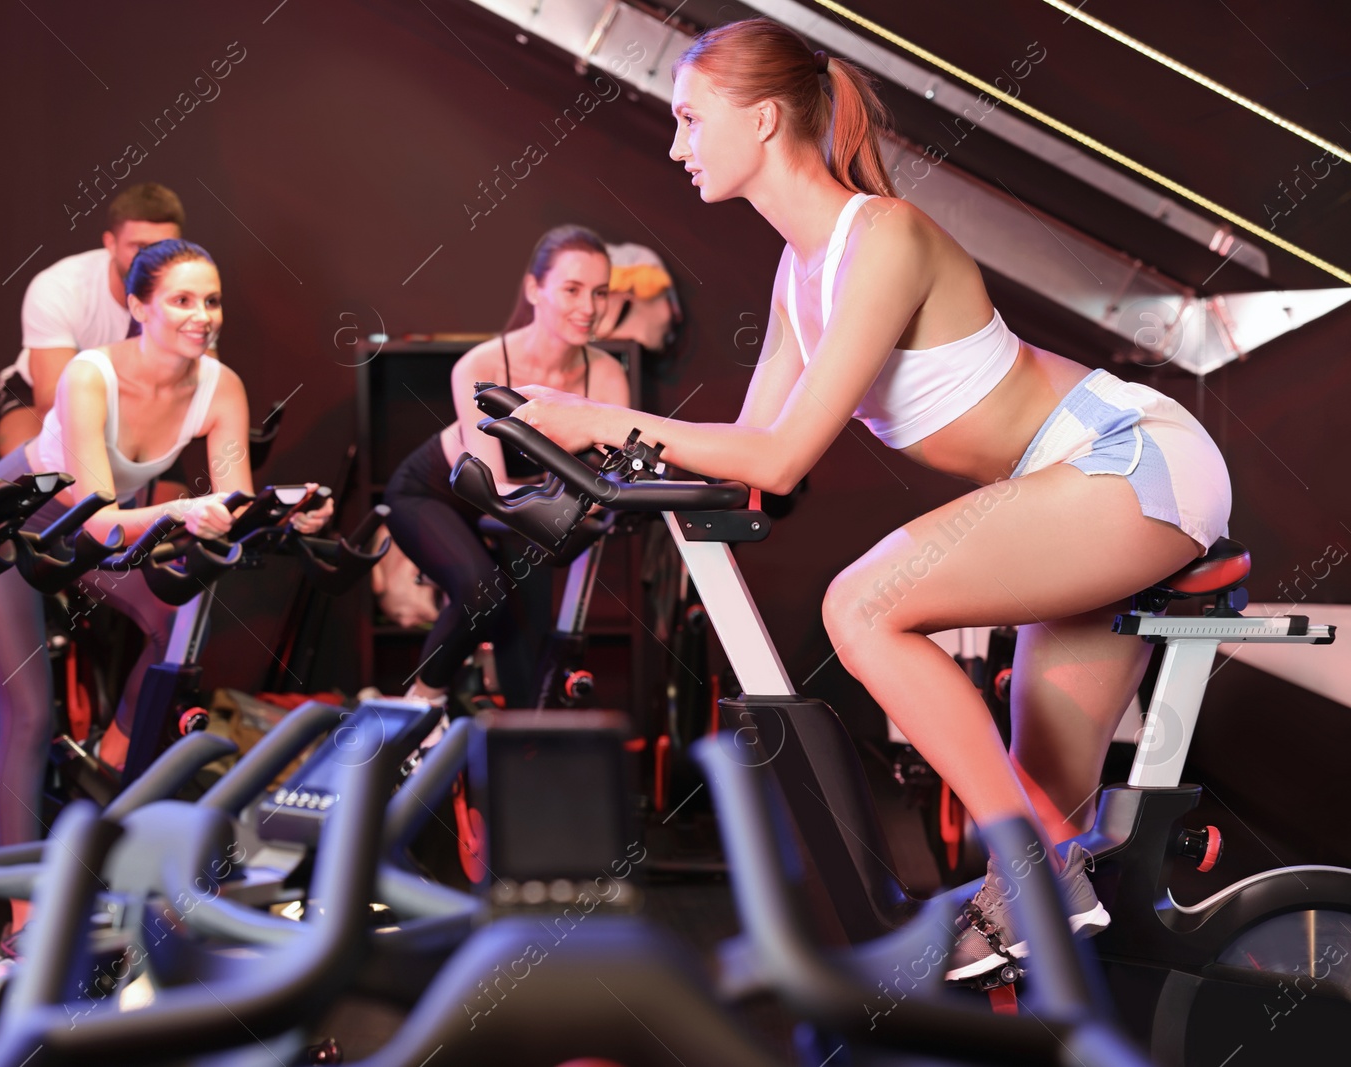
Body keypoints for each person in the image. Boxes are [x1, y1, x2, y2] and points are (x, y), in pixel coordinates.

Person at [512, 18, 1230, 981]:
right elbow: (748, 463)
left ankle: (1034, 882)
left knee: (863, 605)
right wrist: (599, 464)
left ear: (763, 119)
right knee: (1043, 803)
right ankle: (1104, 990)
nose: (677, 144)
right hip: (1063, 489)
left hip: (1132, 457)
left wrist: (590, 420)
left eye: (690, 118)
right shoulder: (795, 276)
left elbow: (781, 452)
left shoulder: (883, 238)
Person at [0, 239, 331, 942]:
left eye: (212, 300)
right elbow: (99, 522)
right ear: (137, 307)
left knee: (175, 614)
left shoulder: (221, 384)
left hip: (92, 527)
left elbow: (234, 507)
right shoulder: (89, 376)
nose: (202, 316)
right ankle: (22, 919)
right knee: (31, 715)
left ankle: (110, 760)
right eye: (182, 300)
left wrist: (291, 509)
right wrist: (176, 510)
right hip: (15, 524)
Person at [382, 225, 631, 711]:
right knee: (483, 590)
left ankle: (524, 748)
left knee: (530, 635)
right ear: (535, 290)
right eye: (572, 290)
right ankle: (421, 707)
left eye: (600, 292)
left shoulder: (606, 372)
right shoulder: (481, 365)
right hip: (436, 494)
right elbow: (491, 487)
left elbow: (612, 470)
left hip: (522, 512)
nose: (589, 307)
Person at [0, 182, 189, 458]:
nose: (151, 261)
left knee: (165, 497)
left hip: (145, 405)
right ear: (110, 243)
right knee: (35, 482)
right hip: (43, 394)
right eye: (139, 247)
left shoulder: (194, 295)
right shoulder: (60, 287)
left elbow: (202, 389)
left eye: (163, 247)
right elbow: (53, 401)